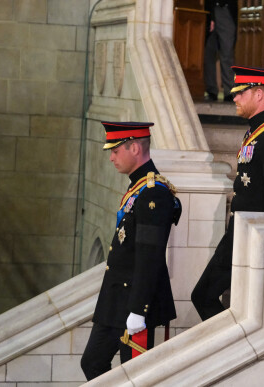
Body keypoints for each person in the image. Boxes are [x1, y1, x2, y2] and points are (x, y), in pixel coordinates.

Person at [191, 66, 264, 321]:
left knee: (208, 297)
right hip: (238, 233)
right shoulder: (255, 131)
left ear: (259, 94)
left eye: (241, 93)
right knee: (204, 296)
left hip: (255, 238)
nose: (235, 98)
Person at [81, 122, 181, 380]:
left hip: (133, 304)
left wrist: (138, 310)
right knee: (92, 363)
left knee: (134, 377)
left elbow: (150, 257)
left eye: (115, 151)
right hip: (117, 300)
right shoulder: (139, 188)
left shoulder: (153, 195)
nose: (112, 157)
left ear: (134, 147)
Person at [204, 0, 238, 102]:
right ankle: (211, 90)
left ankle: (229, 91)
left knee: (227, 54)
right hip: (209, 10)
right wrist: (211, 16)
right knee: (208, 53)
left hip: (225, 9)